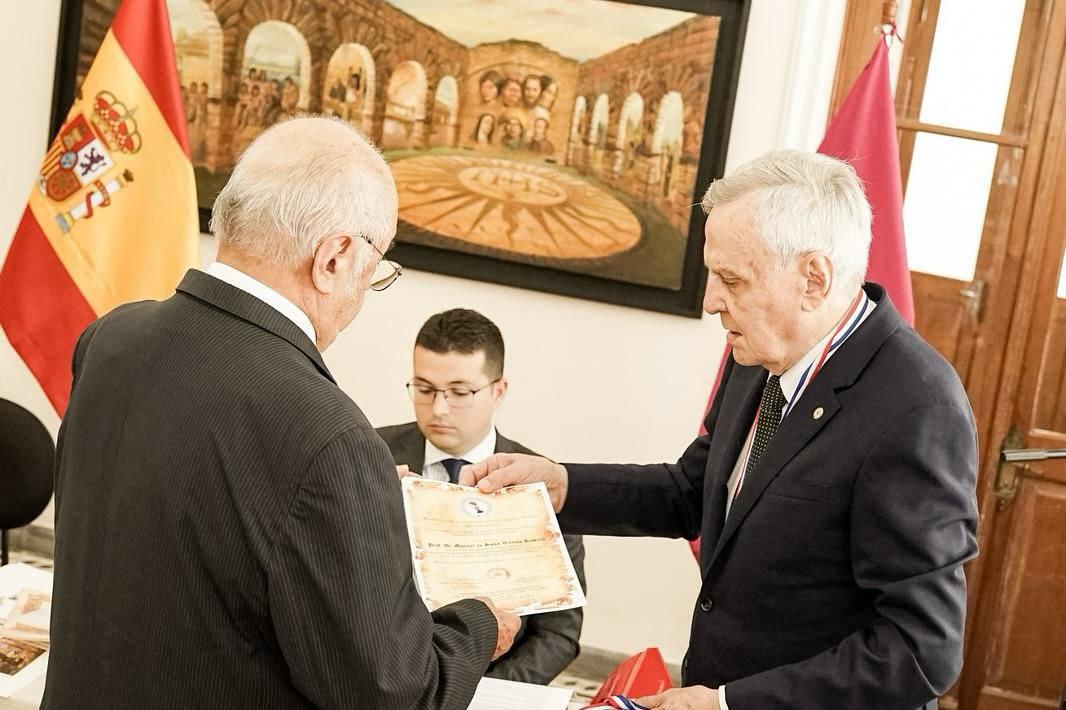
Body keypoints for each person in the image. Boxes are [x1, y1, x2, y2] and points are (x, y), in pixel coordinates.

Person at [464, 150, 979, 710]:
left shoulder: (917, 407)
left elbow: (921, 649)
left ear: (813, 279)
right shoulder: (760, 351)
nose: (711, 301)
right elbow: (696, 489)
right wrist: (562, 485)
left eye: (731, 279)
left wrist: (730, 702)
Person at [44, 116, 519, 710]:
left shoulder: (113, 337)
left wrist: (363, 513)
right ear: (335, 258)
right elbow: (393, 695)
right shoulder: (330, 436)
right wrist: (482, 623)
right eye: (377, 271)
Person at [378, 308, 585, 685]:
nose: (438, 409)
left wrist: (477, 694)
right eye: (424, 389)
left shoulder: (539, 483)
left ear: (498, 390)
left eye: (459, 392)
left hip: (491, 685)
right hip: (378, 675)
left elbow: (558, 633)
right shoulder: (371, 454)